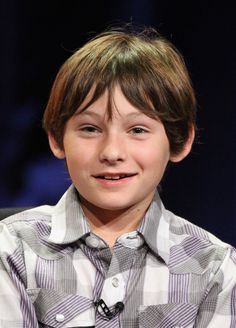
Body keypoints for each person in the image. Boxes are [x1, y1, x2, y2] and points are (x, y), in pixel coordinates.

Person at [0, 27, 235, 328]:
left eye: (137, 130)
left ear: (179, 141)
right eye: (90, 129)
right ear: (57, 139)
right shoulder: (12, 250)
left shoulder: (216, 270)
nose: (112, 152)